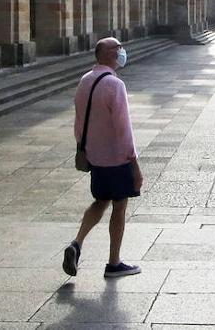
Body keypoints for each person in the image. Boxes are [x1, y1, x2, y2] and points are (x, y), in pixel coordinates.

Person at [63, 37, 143, 279]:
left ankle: (76, 243)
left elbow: (78, 122)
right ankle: (113, 263)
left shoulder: (85, 80)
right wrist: (135, 164)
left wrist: (84, 146)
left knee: (101, 201)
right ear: (109, 54)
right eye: (118, 48)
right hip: (116, 157)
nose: (122, 52)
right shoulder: (115, 85)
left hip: (95, 157)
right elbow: (123, 128)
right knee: (120, 206)